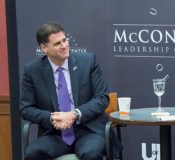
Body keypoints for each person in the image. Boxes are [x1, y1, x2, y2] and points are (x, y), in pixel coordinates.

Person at [20, 22, 121, 160]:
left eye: (64, 40)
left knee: (91, 153)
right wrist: (52, 117)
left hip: (88, 130)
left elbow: (102, 98)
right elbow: (25, 109)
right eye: (57, 43)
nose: (64, 46)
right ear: (44, 48)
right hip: (55, 134)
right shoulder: (32, 71)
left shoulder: (88, 61)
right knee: (33, 153)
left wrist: (73, 115)